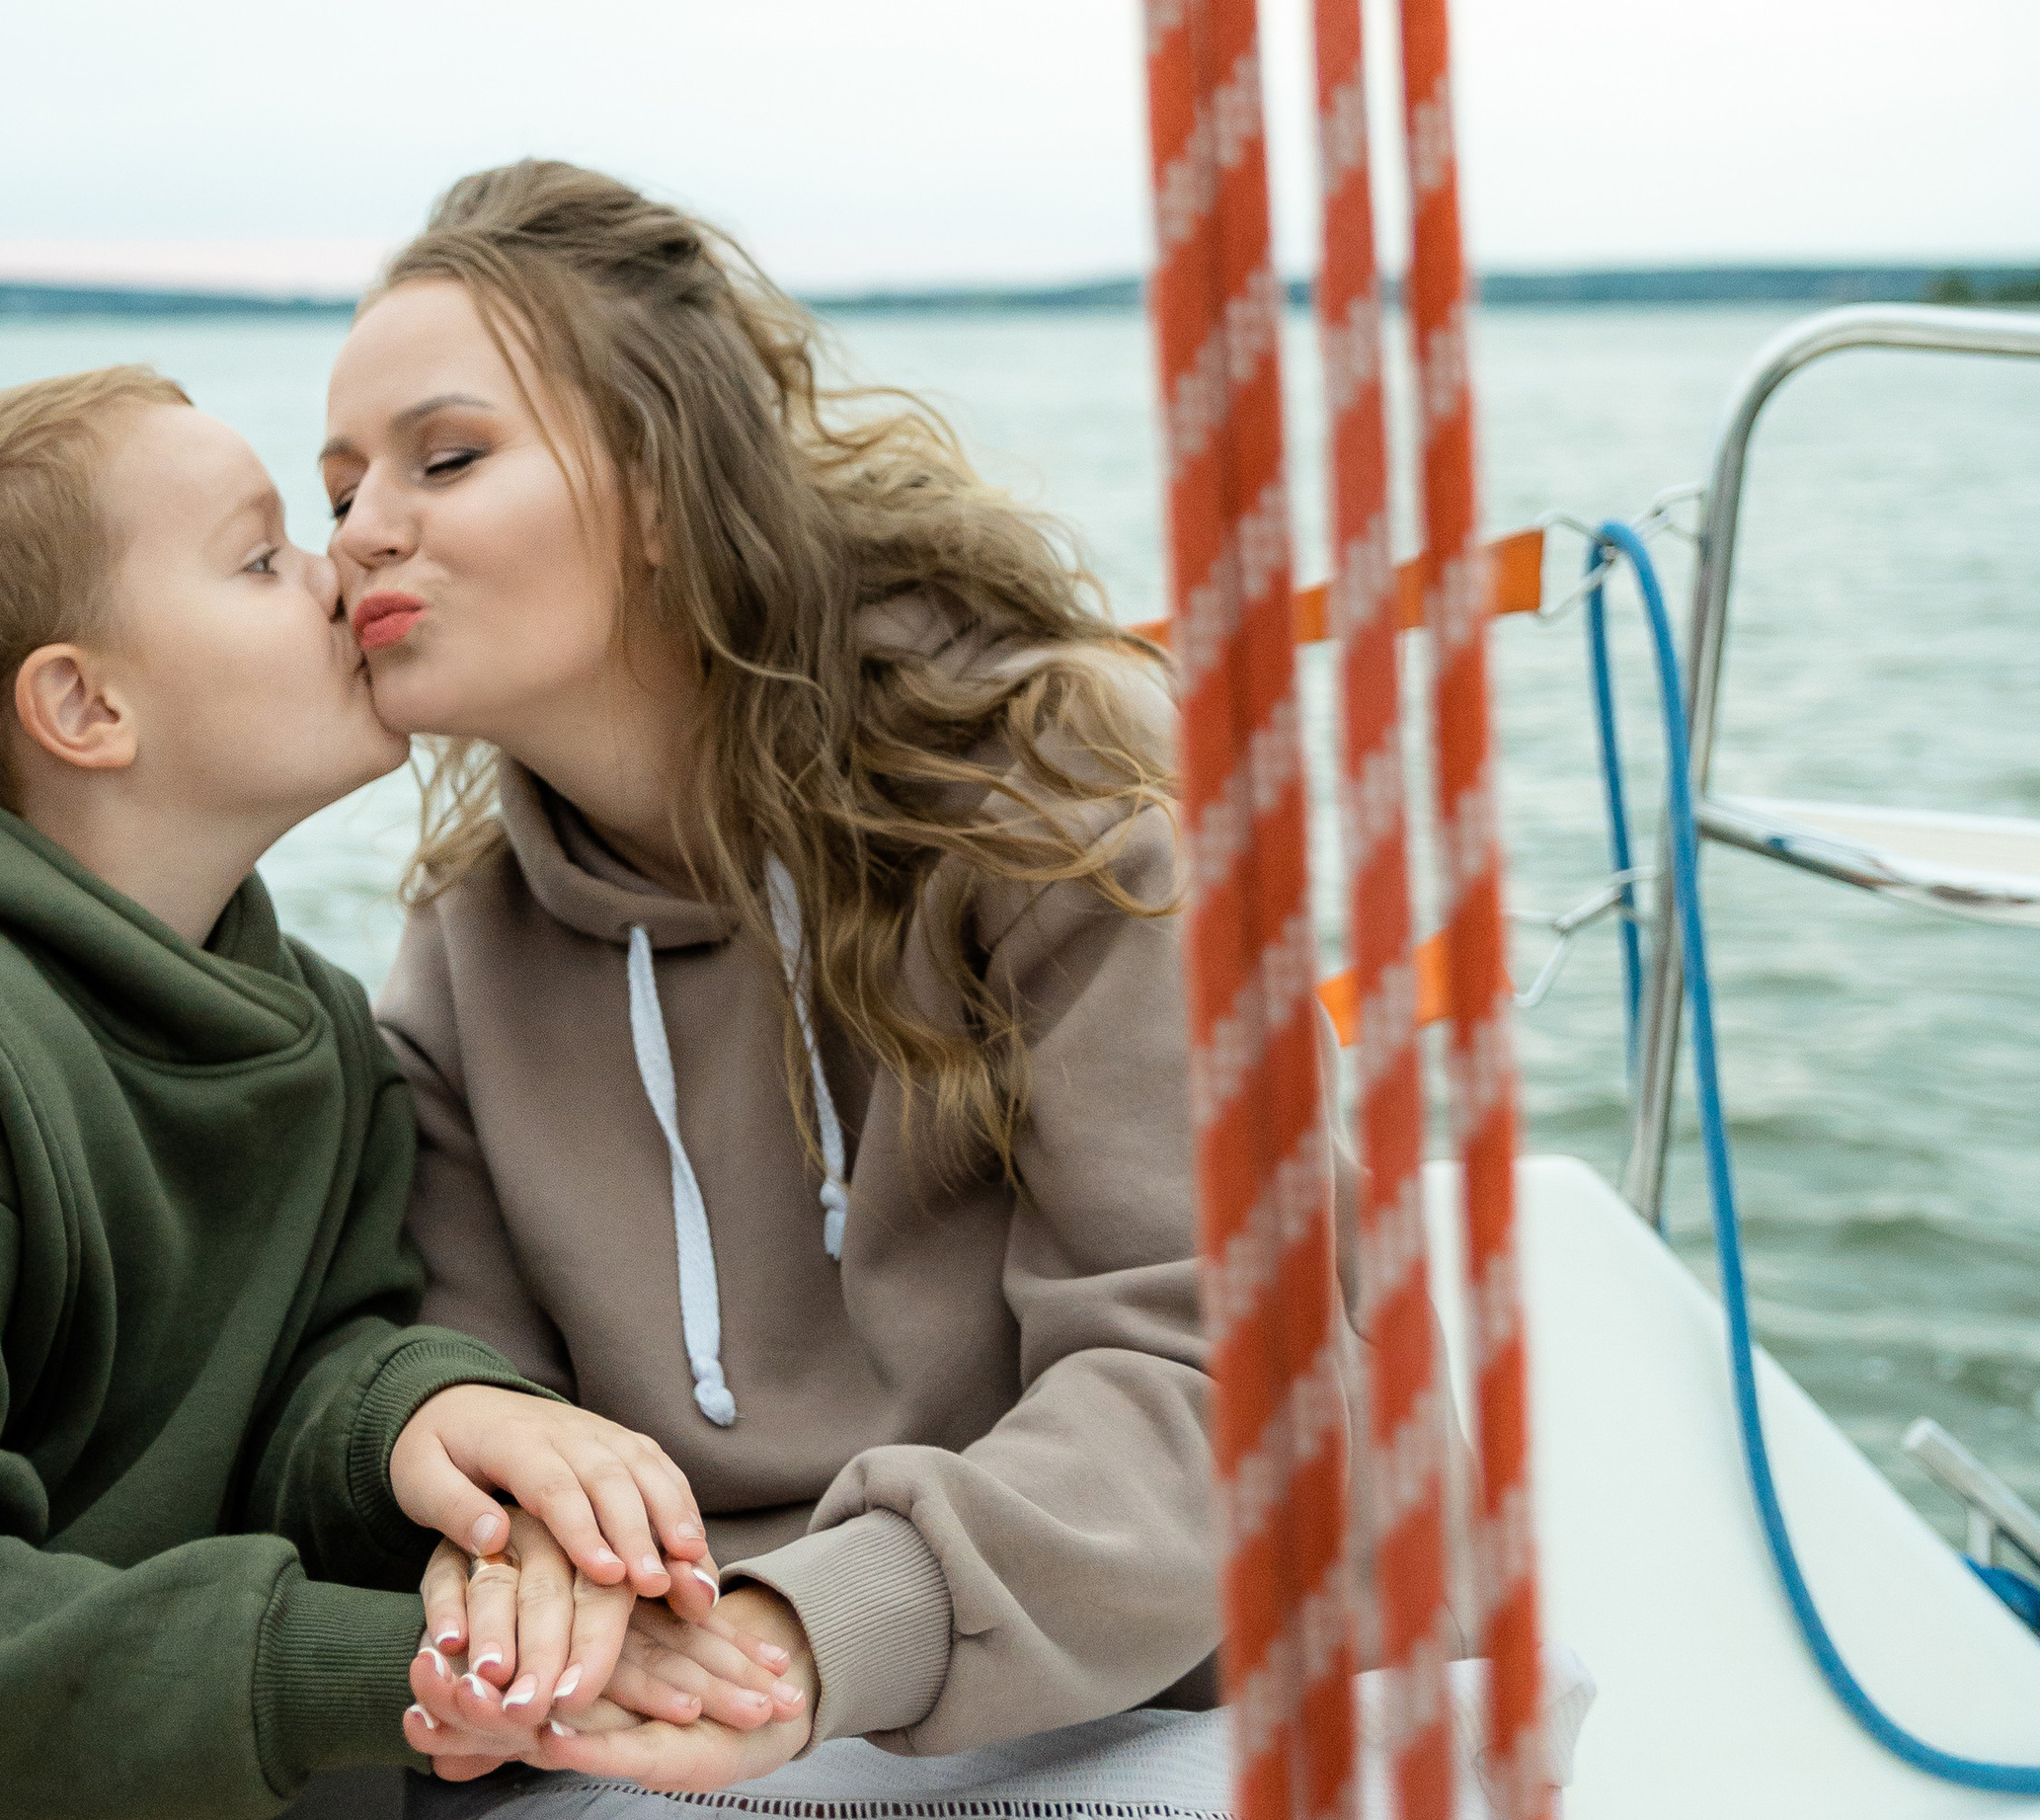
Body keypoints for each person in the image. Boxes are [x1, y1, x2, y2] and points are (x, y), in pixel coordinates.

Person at [321, 162, 1378, 1807]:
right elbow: (486, 1393)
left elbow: (1226, 1382)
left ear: (664, 483)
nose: (361, 529)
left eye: (446, 456)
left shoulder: (1050, 804)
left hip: (1178, 1681)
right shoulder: (470, 945)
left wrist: (816, 1632)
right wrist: (518, 1577)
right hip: (727, 1704)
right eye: (337, 489)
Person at [0, 363, 786, 1820]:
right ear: (85, 703)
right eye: (262, 553)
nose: (342, 562)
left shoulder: (311, 1029)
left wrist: (429, 1413)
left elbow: (290, 1372)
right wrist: (364, 1662)